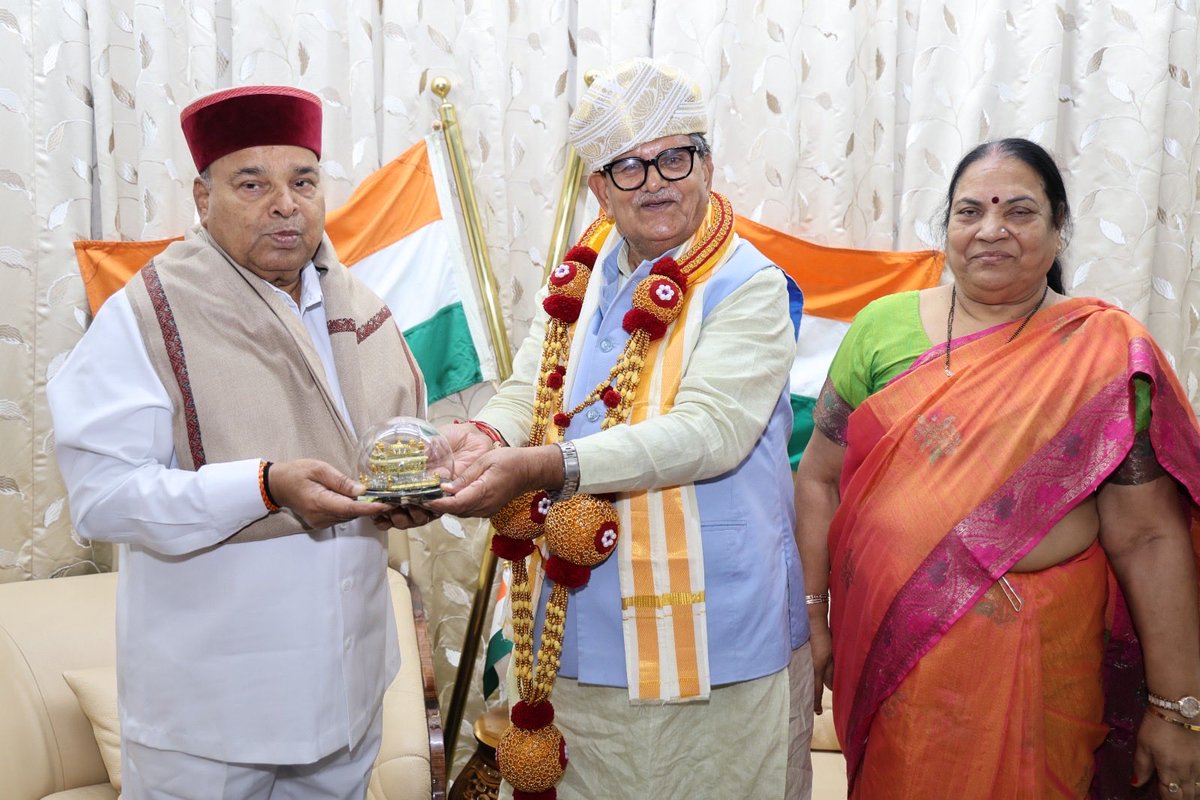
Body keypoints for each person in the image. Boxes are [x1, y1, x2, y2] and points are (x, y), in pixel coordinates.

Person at [389, 58, 813, 799]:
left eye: (673, 157)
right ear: (599, 188)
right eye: (627, 167)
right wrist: (485, 438)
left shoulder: (751, 284)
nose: (655, 181)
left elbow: (711, 432)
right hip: (578, 619)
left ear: (707, 163)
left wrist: (546, 466)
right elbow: (533, 383)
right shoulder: (584, 274)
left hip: (715, 639)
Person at [47, 86, 426, 799]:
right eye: (252, 183)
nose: (285, 204)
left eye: (303, 181)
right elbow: (102, 502)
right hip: (211, 721)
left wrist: (418, 487)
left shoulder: (363, 308)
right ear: (202, 196)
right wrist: (262, 486)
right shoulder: (146, 316)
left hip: (348, 699)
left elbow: (394, 447)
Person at [794, 137, 1200, 799]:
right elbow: (816, 478)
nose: (991, 230)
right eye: (969, 211)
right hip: (893, 654)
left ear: (1058, 230)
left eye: (1019, 211)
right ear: (947, 227)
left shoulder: (1102, 351)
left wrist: (1177, 706)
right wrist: (813, 617)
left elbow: (1149, 537)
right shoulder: (880, 328)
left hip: (1039, 665)